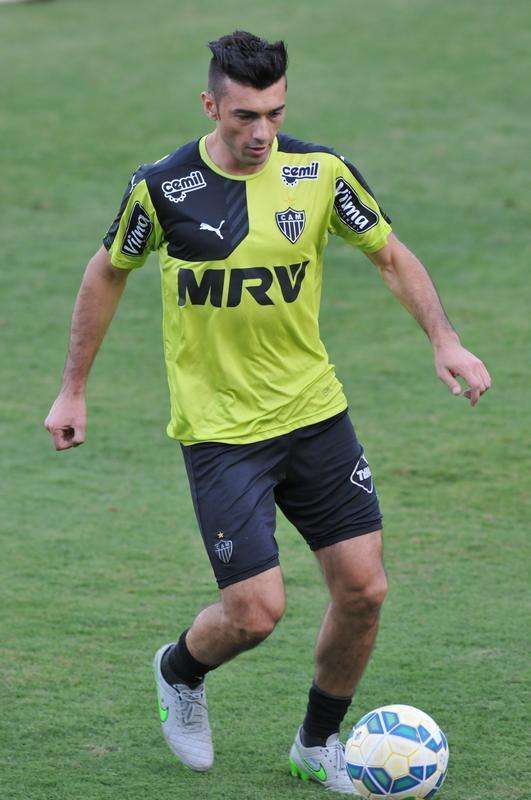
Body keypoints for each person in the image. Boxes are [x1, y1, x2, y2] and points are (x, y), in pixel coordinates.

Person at [45, 30, 491, 795]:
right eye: (244, 115)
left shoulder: (319, 173)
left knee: (364, 590)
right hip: (221, 435)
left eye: (274, 114)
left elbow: (388, 252)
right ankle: (179, 669)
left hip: (315, 414)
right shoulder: (163, 188)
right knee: (254, 614)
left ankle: (316, 745)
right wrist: (73, 387)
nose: (259, 133)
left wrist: (444, 340)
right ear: (210, 104)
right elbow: (107, 271)